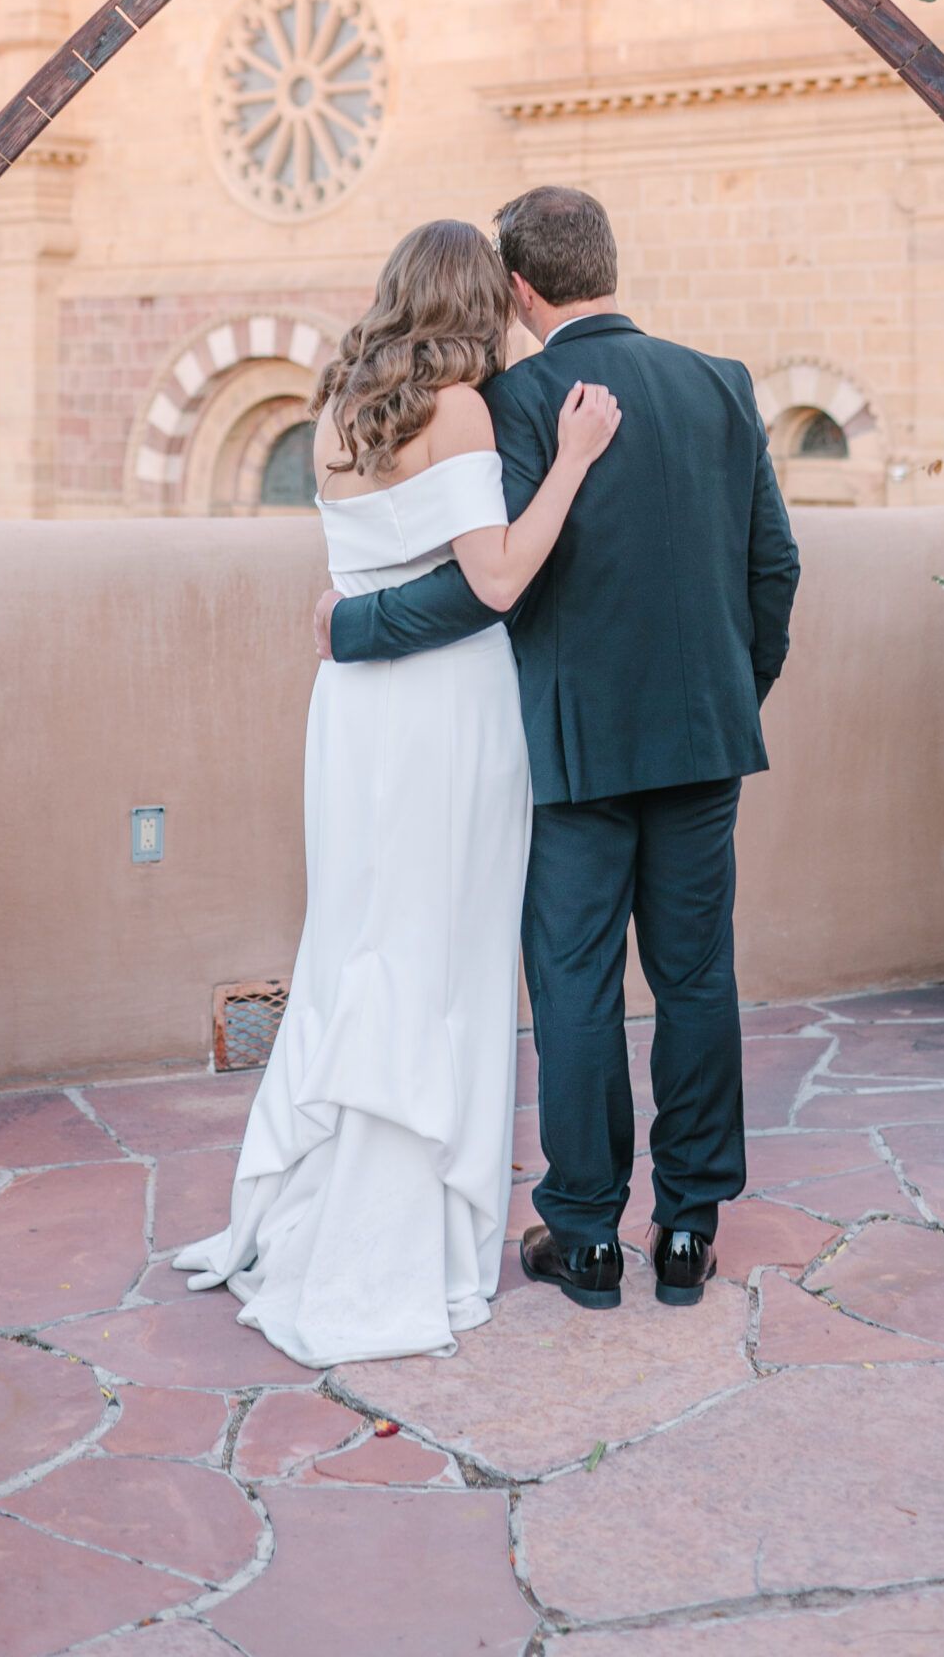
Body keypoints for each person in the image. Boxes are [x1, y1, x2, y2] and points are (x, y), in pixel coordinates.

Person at [318, 186, 799, 1311]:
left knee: (574, 985)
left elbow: (483, 590)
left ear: (521, 287)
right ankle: (687, 1230)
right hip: (700, 740)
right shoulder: (720, 384)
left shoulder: (515, 398)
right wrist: (733, 689)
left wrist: (353, 625)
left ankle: (583, 1235)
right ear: (605, 263)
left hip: (569, 751)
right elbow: (770, 566)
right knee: (694, 979)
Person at [175, 220, 619, 1366]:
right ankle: (406, 1230)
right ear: (478, 301)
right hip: (445, 713)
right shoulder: (460, 410)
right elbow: (499, 577)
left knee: (358, 936)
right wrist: (570, 460)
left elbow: (354, 576)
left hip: (354, 712)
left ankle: (319, 1187)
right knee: (438, 952)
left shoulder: (334, 409)